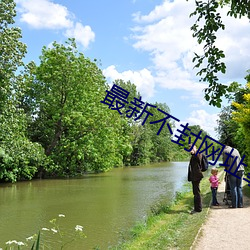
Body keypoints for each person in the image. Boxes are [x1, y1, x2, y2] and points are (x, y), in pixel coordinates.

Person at [188, 144, 204, 214]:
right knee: (196, 192)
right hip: (194, 176)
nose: (190, 150)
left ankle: (198, 209)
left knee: (196, 192)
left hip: (196, 176)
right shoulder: (194, 155)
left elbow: (199, 160)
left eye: (191, 148)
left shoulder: (198, 154)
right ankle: (197, 208)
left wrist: (195, 150)